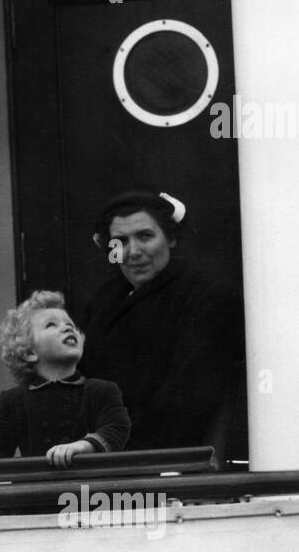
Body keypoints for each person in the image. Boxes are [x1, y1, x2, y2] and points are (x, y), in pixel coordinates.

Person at [80, 190, 245, 453]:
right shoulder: (104, 300)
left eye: (145, 236)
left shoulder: (206, 297)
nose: (133, 251)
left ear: (171, 238)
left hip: (158, 456)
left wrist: (105, 447)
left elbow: (188, 401)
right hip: (99, 452)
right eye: (120, 241)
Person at [0, 291, 129, 467]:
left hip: (90, 487)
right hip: (39, 486)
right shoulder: (14, 400)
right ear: (29, 352)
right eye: (51, 325)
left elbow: (116, 428)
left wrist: (84, 446)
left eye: (71, 325)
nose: (68, 328)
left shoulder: (102, 390)